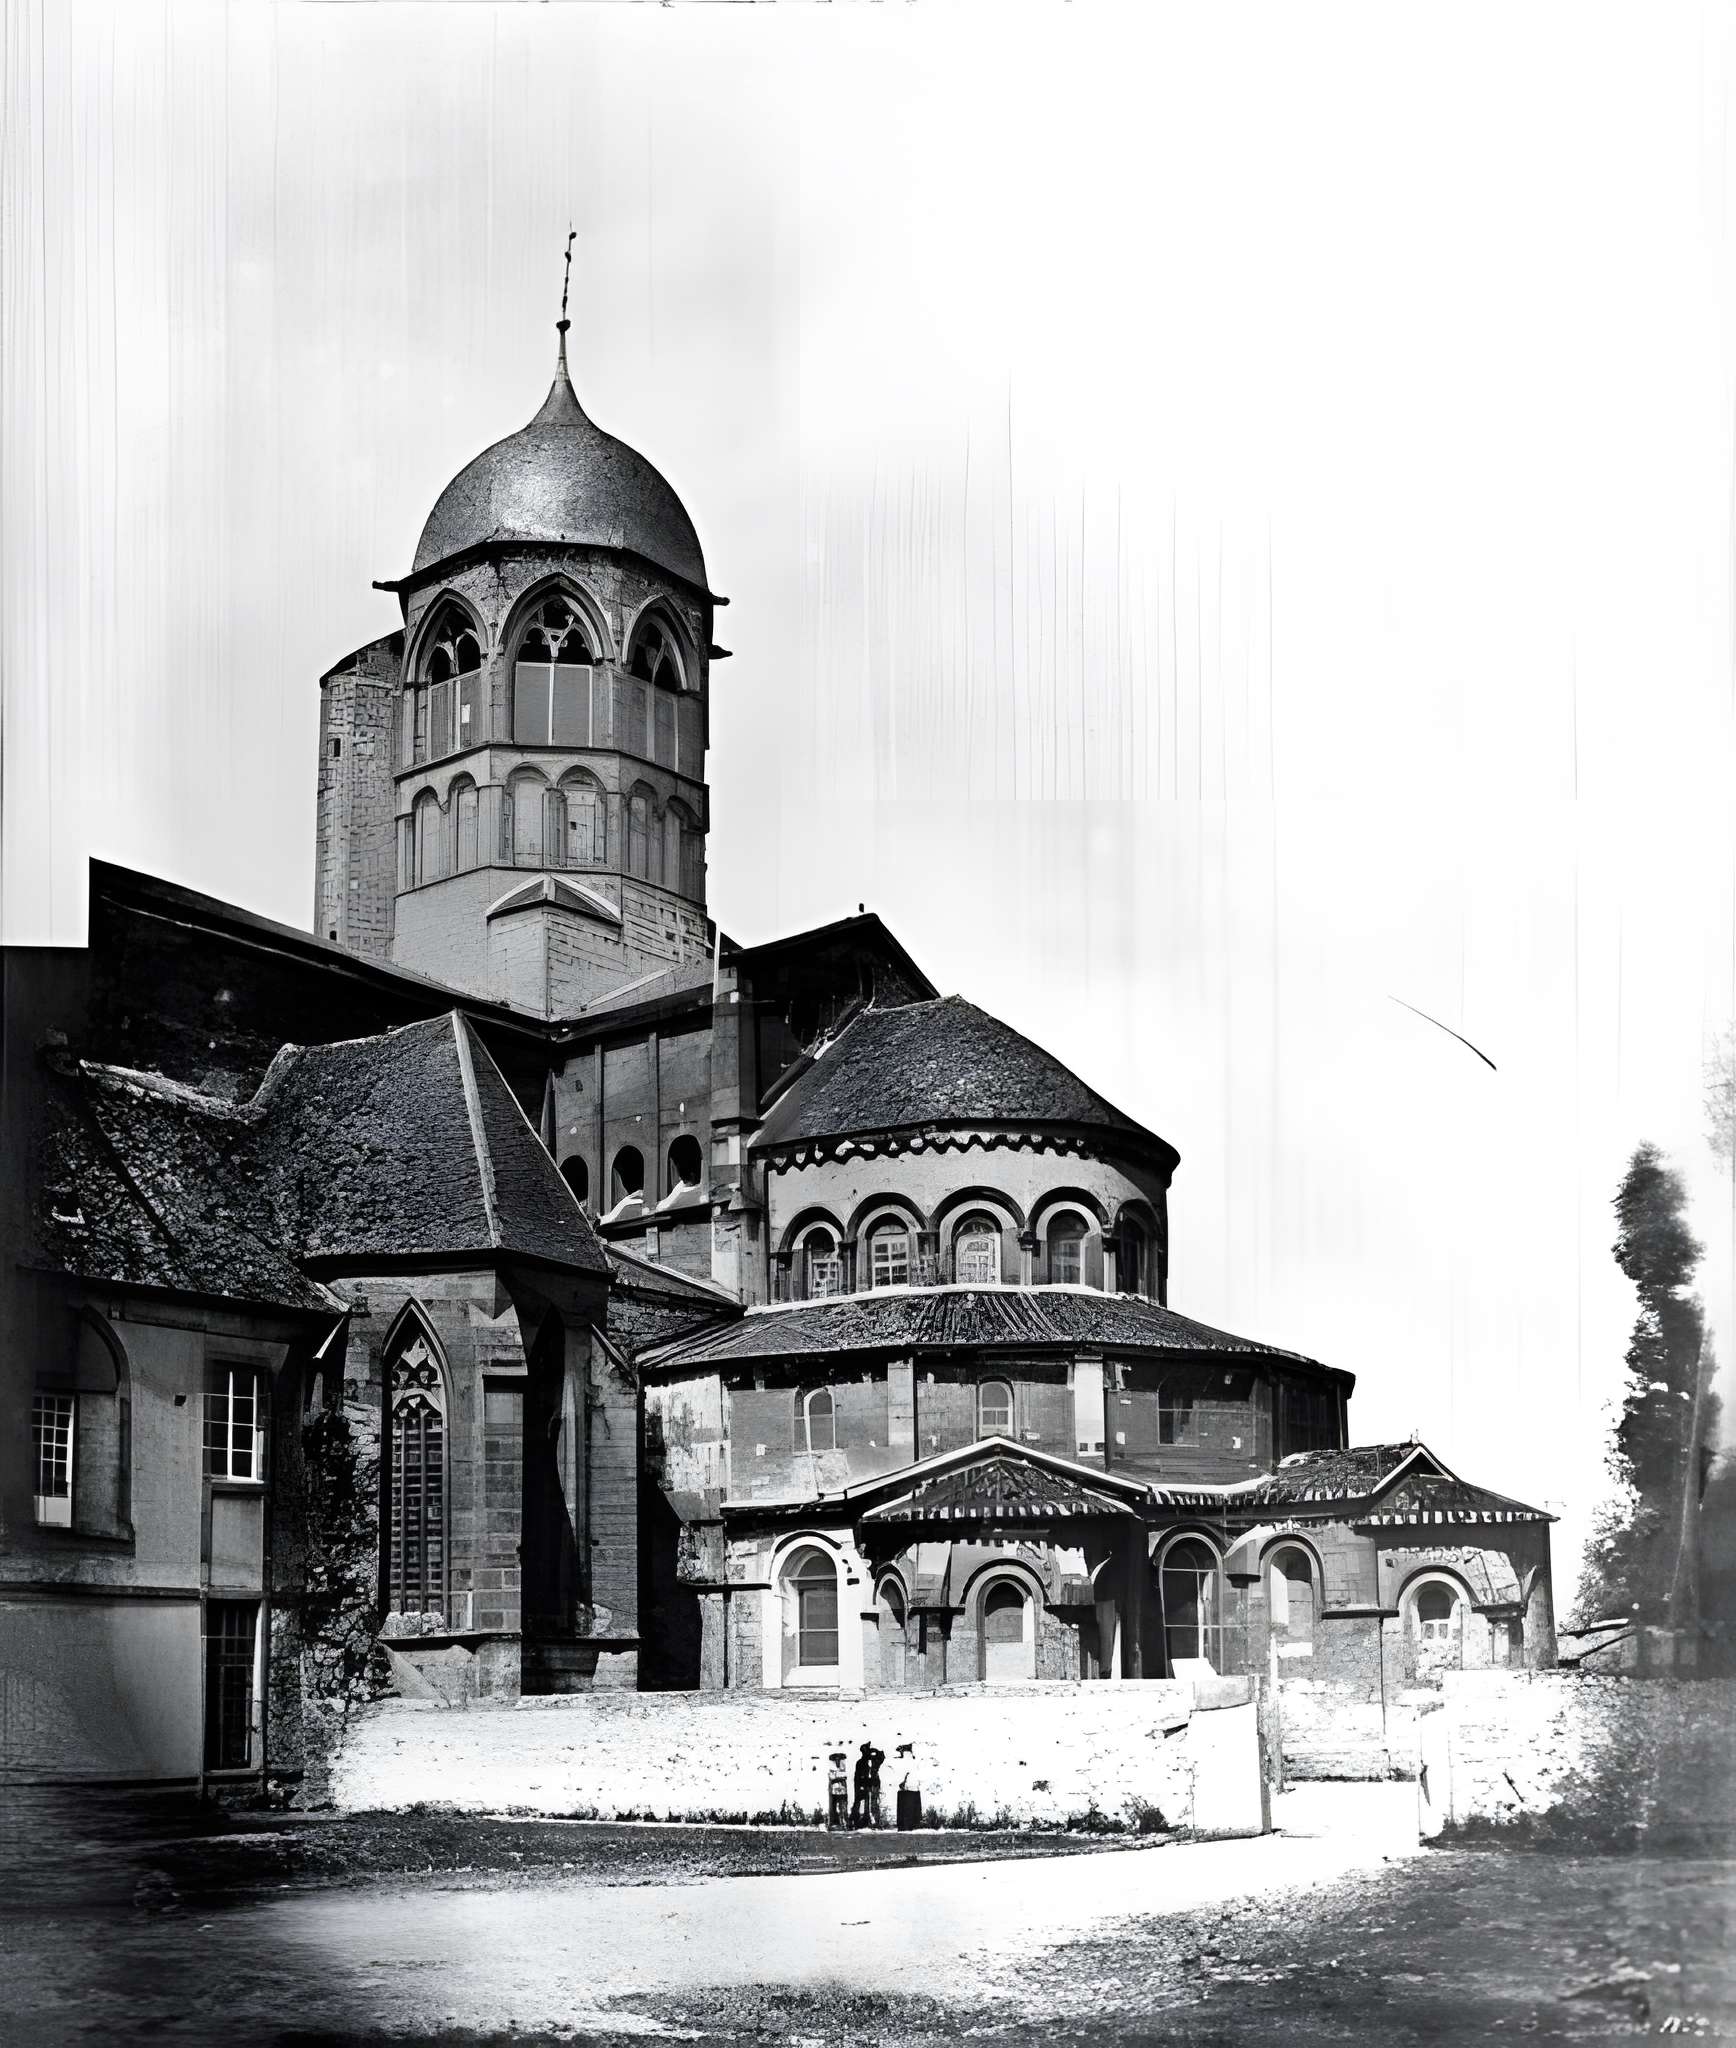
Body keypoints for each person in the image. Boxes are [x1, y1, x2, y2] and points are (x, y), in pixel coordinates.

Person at [850, 1739, 885, 1828]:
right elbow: (858, 1776)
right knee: (864, 1803)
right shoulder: (860, 1762)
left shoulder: (875, 1761)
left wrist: (875, 1750)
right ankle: (862, 1821)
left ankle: (875, 1821)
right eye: (865, 1752)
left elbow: (882, 1756)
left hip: (874, 1783)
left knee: (874, 1802)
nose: (867, 1754)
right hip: (864, 1784)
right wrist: (860, 1786)